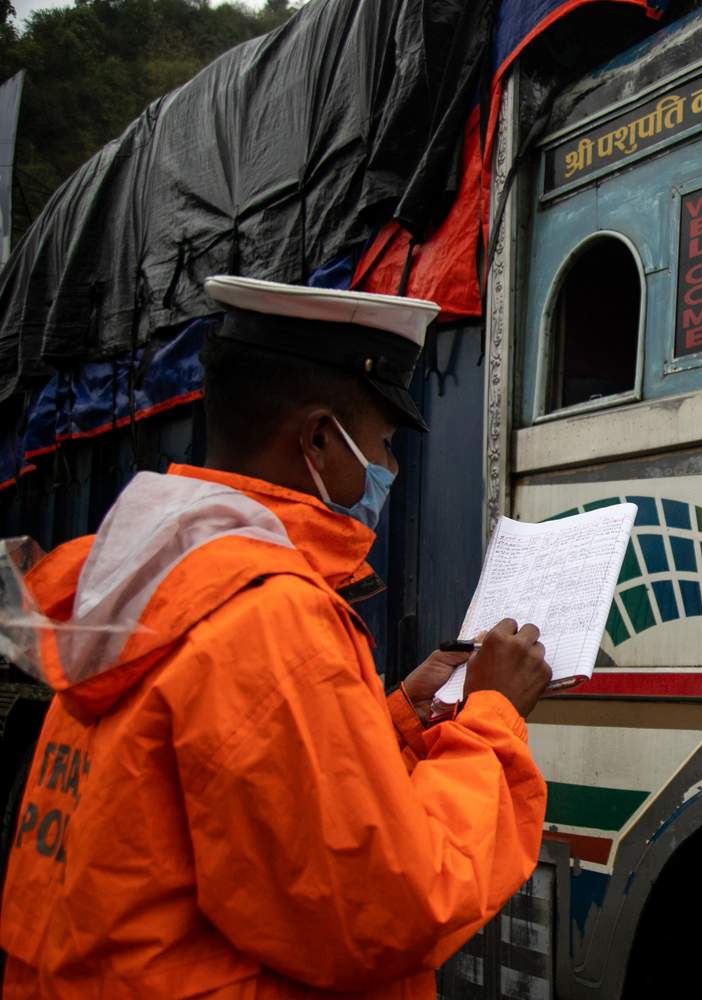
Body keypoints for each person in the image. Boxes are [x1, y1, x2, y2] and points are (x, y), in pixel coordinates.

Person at [0, 277, 552, 997]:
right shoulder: (272, 618)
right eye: (383, 445)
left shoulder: (148, 572)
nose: (389, 469)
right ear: (320, 439)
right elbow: (387, 911)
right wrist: (491, 721)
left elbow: (235, 790)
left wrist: (399, 719)